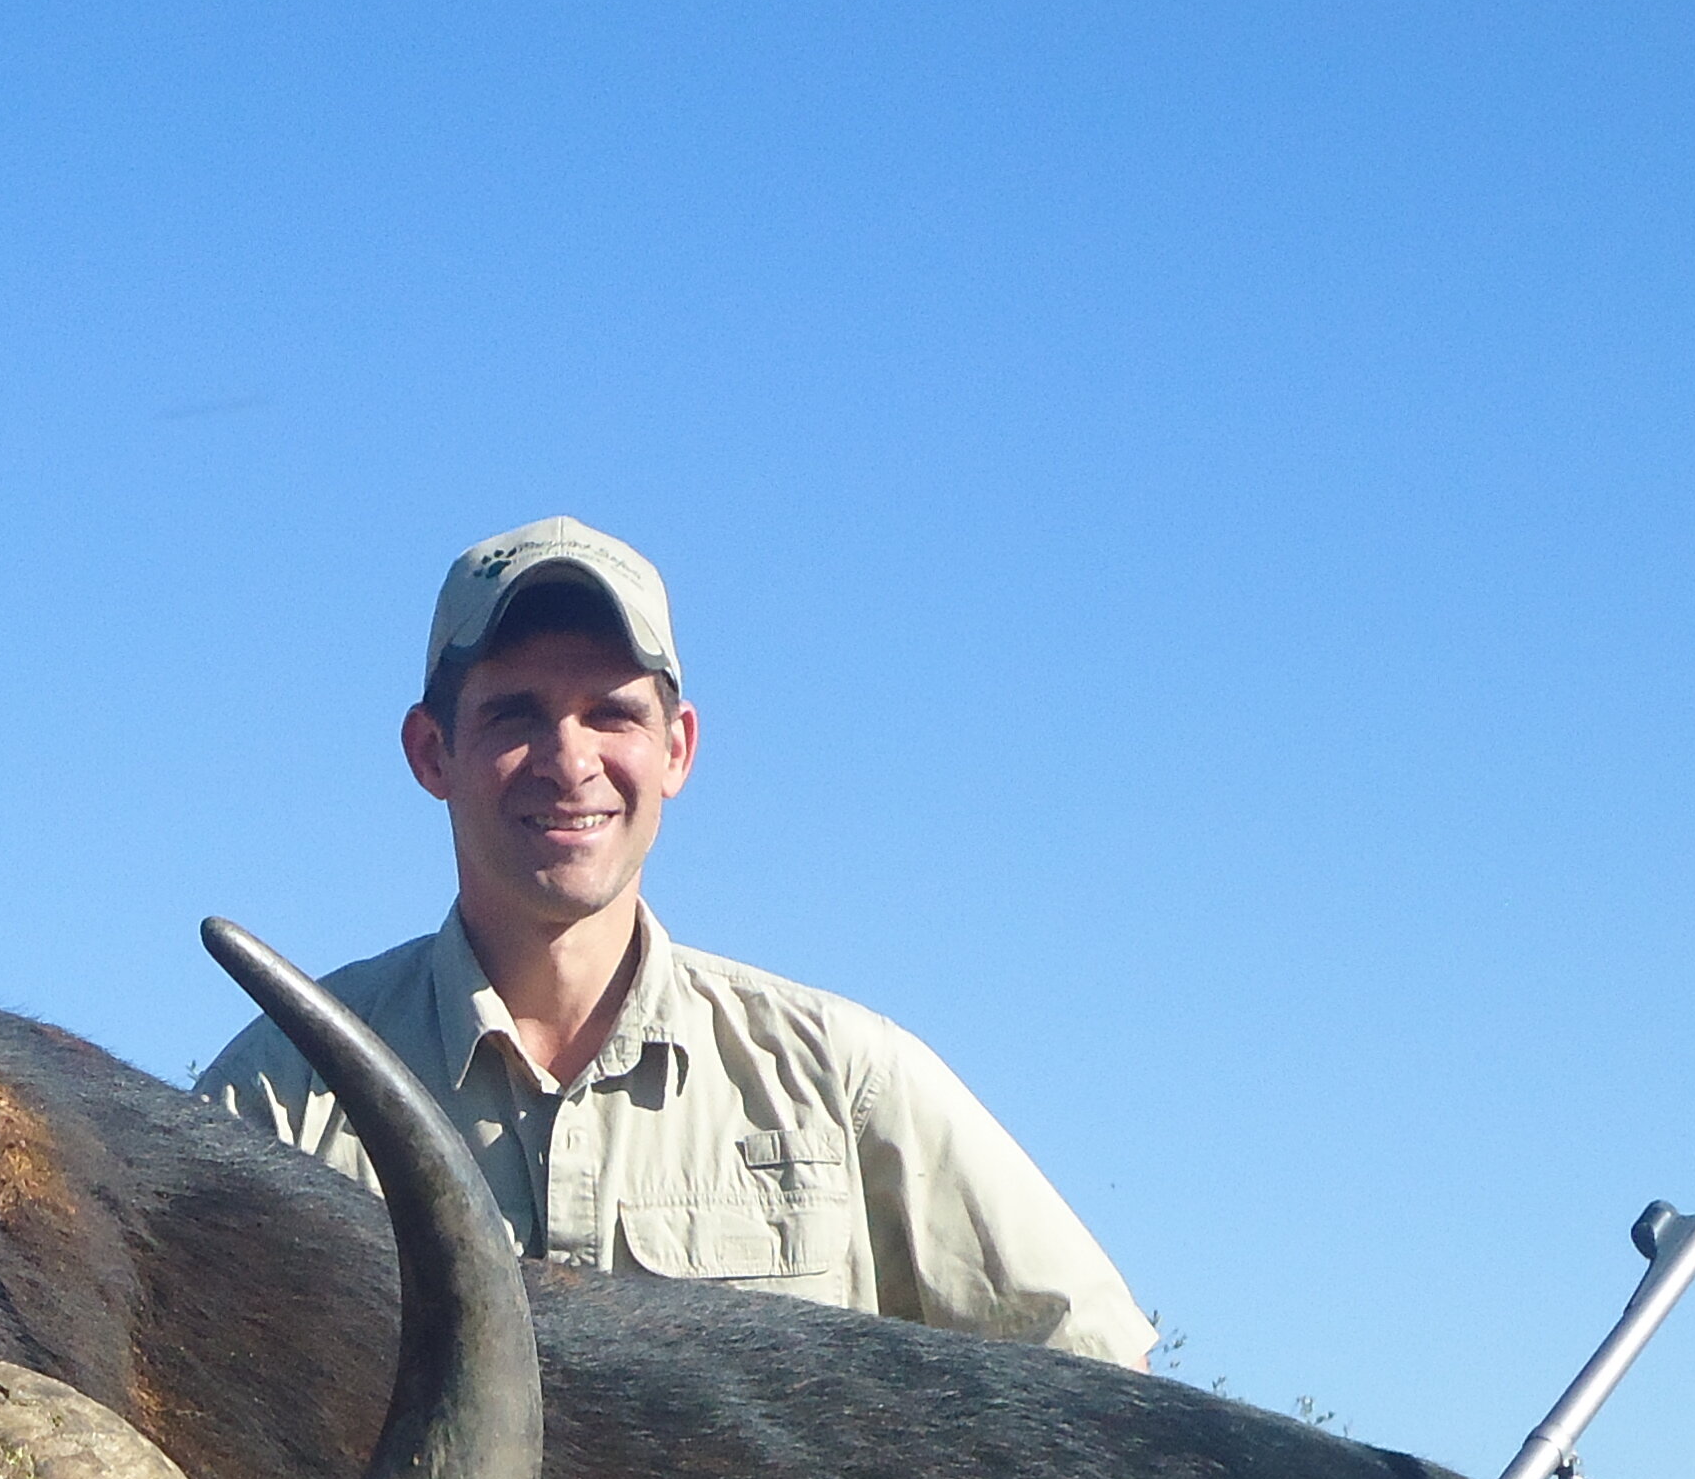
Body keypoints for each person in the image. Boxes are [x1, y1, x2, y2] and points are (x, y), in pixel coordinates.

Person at [204, 515, 1153, 1366]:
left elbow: (1097, 1375)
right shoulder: (277, 1103)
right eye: (515, 715)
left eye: (612, 714)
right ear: (431, 753)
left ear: (678, 750)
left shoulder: (840, 1087)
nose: (570, 762)